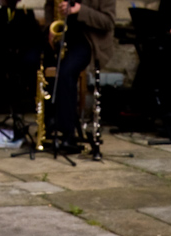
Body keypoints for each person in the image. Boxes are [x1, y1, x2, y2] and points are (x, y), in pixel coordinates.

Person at [43, 0, 115, 146]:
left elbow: (108, 21)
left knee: (65, 72)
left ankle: (67, 131)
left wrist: (80, 10)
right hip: (63, 35)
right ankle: (49, 120)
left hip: (88, 40)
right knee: (32, 60)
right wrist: (50, 28)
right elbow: (50, 5)